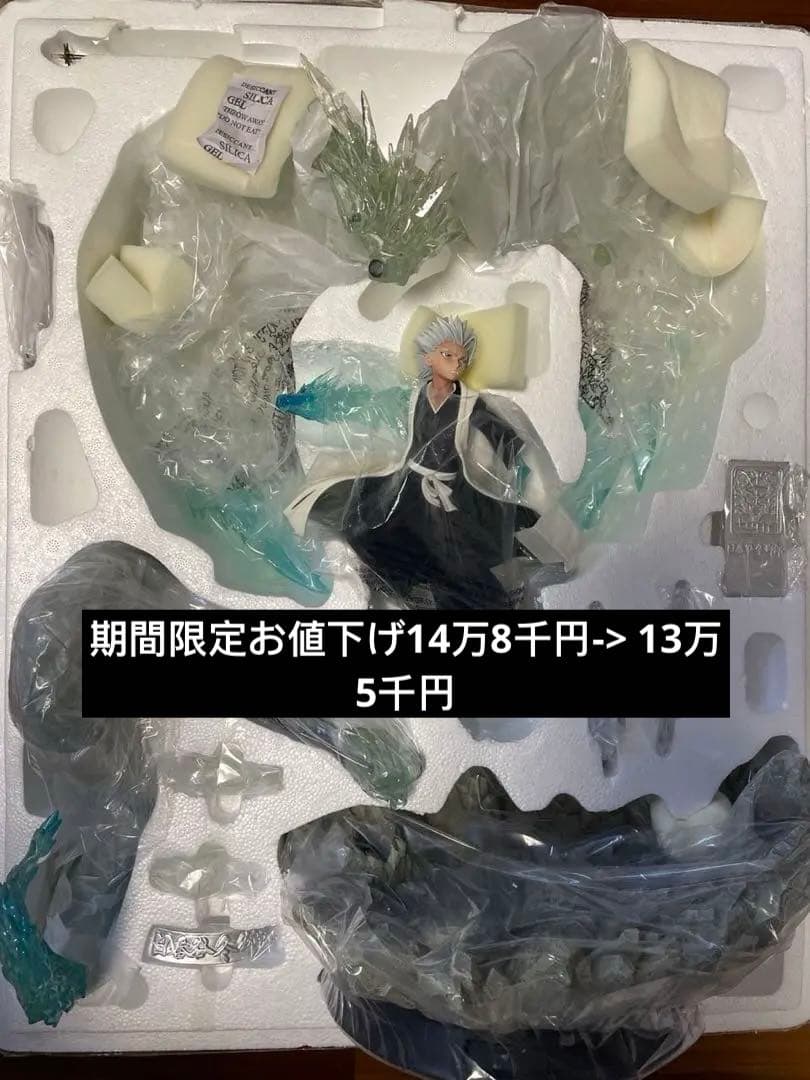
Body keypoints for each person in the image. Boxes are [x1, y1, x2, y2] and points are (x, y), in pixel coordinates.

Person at [281, 315, 580, 608]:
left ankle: (476, 599)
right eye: (447, 355)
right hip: (409, 487)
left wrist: (520, 474)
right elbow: (366, 403)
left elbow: (504, 438)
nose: (456, 363)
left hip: (453, 493)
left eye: (461, 359)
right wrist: (313, 404)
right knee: (371, 528)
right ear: (429, 358)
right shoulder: (413, 397)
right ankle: (399, 582)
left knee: (460, 556)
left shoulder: (470, 402)